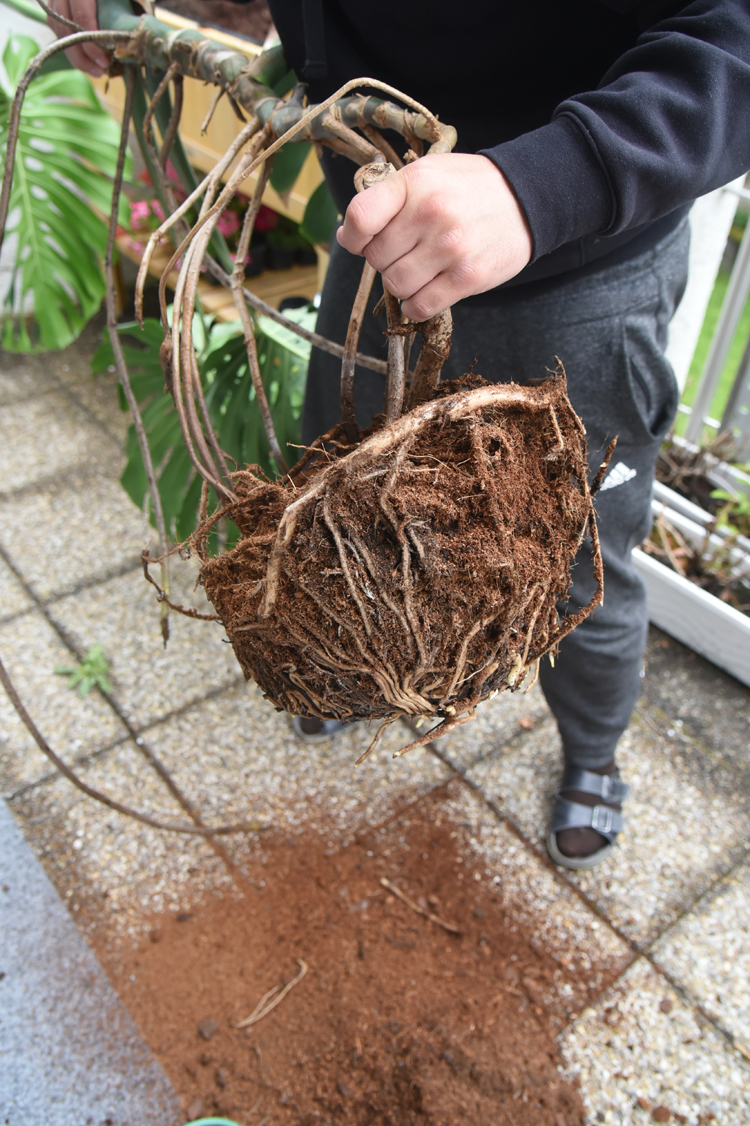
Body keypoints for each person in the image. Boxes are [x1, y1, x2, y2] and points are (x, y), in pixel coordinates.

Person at [48, 0, 750, 869]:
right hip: (387, 232)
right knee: (331, 493)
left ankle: (593, 752)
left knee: (577, 573)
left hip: (580, 263)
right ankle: (346, 670)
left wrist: (551, 180)